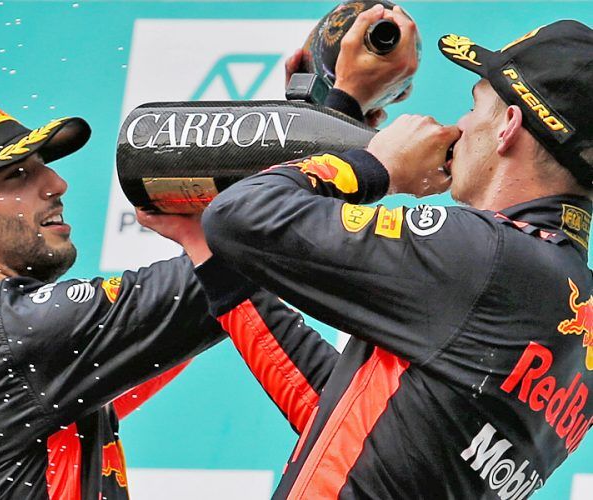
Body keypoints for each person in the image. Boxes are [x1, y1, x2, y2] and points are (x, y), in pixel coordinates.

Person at [151, 14, 592, 499]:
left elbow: (241, 215)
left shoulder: (489, 256)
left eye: (474, 107)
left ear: (508, 126)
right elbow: (347, 418)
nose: (460, 126)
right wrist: (206, 252)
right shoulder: (561, 298)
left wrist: (377, 164)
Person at [0, 94, 225, 499]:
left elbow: (208, 298)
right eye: (16, 175)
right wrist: (279, 147)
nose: (56, 184)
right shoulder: (11, 333)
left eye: (42, 166)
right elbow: (227, 269)